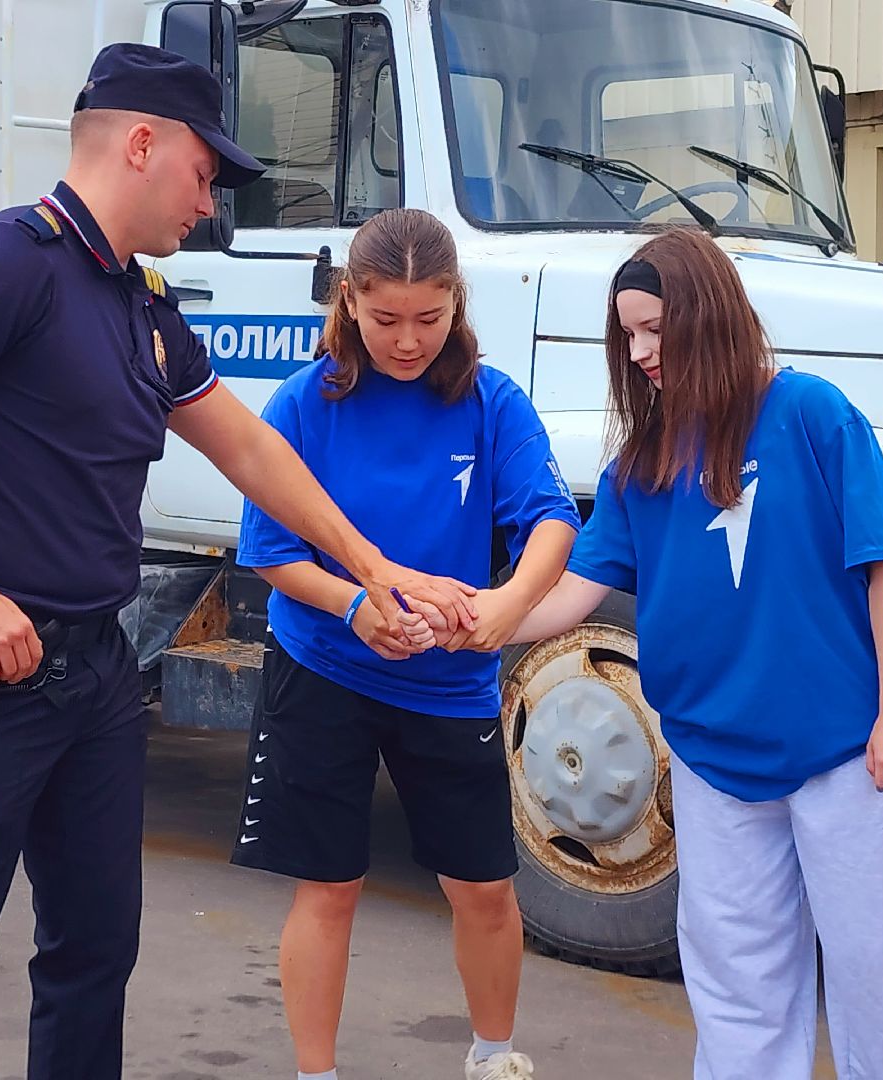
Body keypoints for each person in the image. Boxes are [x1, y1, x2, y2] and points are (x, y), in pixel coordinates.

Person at [0, 44, 476, 1080]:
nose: (210, 203)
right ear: (140, 143)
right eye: (206, 173)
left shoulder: (139, 303)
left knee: (92, 953)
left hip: (96, 675)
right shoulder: (9, 262)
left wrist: (372, 564)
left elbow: (250, 447)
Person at [446, 228, 883, 1079]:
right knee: (736, 995)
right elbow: (574, 592)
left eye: (655, 330)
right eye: (630, 335)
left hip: (851, 755)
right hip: (712, 763)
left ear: (708, 315)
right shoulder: (638, 465)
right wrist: (484, 617)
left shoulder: (813, 414)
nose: (641, 352)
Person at [230, 208, 579, 1080]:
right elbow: (272, 553)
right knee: (330, 888)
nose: (408, 340)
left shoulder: (491, 402)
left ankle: (494, 1055)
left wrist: (505, 607)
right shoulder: (307, 401)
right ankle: (317, 1073)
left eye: (430, 319)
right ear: (349, 300)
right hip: (323, 670)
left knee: (486, 891)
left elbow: (550, 522)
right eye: (386, 319)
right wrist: (357, 608)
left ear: (458, 304)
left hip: (450, 684)